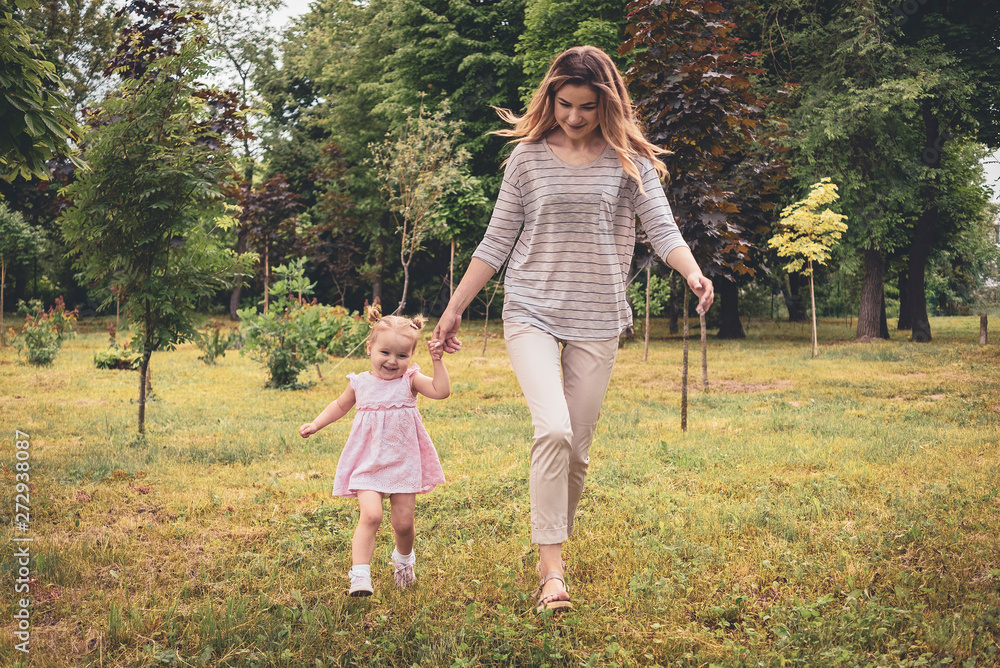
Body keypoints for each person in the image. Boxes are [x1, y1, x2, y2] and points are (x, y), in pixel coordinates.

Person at [431, 46, 714, 613]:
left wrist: (692, 271)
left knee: (577, 452)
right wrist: (456, 306)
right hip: (531, 307)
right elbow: (496, 242)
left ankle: (552, 545)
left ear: (606, 103)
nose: (575, 118)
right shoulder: (528, 162)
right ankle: (552, 574)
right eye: (565, 105)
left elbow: (661, 228)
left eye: (587, 107)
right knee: (553, 430)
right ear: (550, 98)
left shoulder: (627, 160)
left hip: (598, 314)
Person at [300, 307, 450, 596]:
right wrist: (316, 424)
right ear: (369, 348)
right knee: (371, 515)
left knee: (403, 523)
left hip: (403, 462)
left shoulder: (411, 381)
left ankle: (403, 560)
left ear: (411, 356)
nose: (393, 361)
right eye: (385, 353)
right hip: (367, 462)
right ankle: (360, 575)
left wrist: (438, 362)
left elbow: (441, 391)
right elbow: (340, 406)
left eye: (402, 355)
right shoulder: (360, 383)